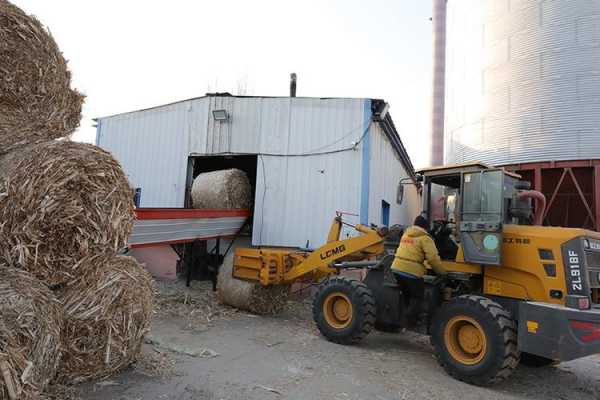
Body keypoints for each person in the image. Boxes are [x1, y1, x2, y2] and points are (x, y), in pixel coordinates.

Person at [391, 214, 446, 325]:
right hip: (411, 272)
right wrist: (442, 273)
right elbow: (433, 258)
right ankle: (410, 321)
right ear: (425, 227)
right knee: (417, 297)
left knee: (407, 294)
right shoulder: (425, 238)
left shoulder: (406, 234)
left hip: (396, 268)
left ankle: (404, 317)